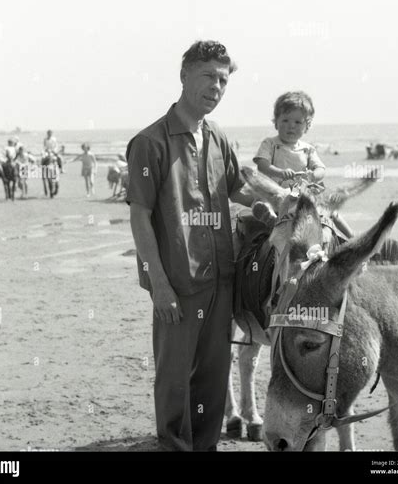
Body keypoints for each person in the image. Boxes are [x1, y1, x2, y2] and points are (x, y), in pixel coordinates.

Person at [126, 40, 256, 452]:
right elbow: (140, 216)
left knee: (213, 380)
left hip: (221, 280)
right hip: (178, 285)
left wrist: (281, 202)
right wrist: (159, 285)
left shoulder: (218, 136)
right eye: (208, 77)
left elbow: (242, 189)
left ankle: (205, 448)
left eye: (223, 80)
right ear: (184, 76)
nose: (216, 87)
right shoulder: (150, 143)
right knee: (174, 378)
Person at [253, 91, 353, 237]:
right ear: (276, 122)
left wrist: (313, 175)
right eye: (285, 120)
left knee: (330, 210)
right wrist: (279, 172)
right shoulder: (270, 143)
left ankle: (352, 238)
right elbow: (262, 164)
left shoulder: (307, 149)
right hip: (275, 194)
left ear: (307, 126)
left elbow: (320, 168)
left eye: (297, 122)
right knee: (263, 204)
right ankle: (271, 218)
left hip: (299, 196)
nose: (291, 126)